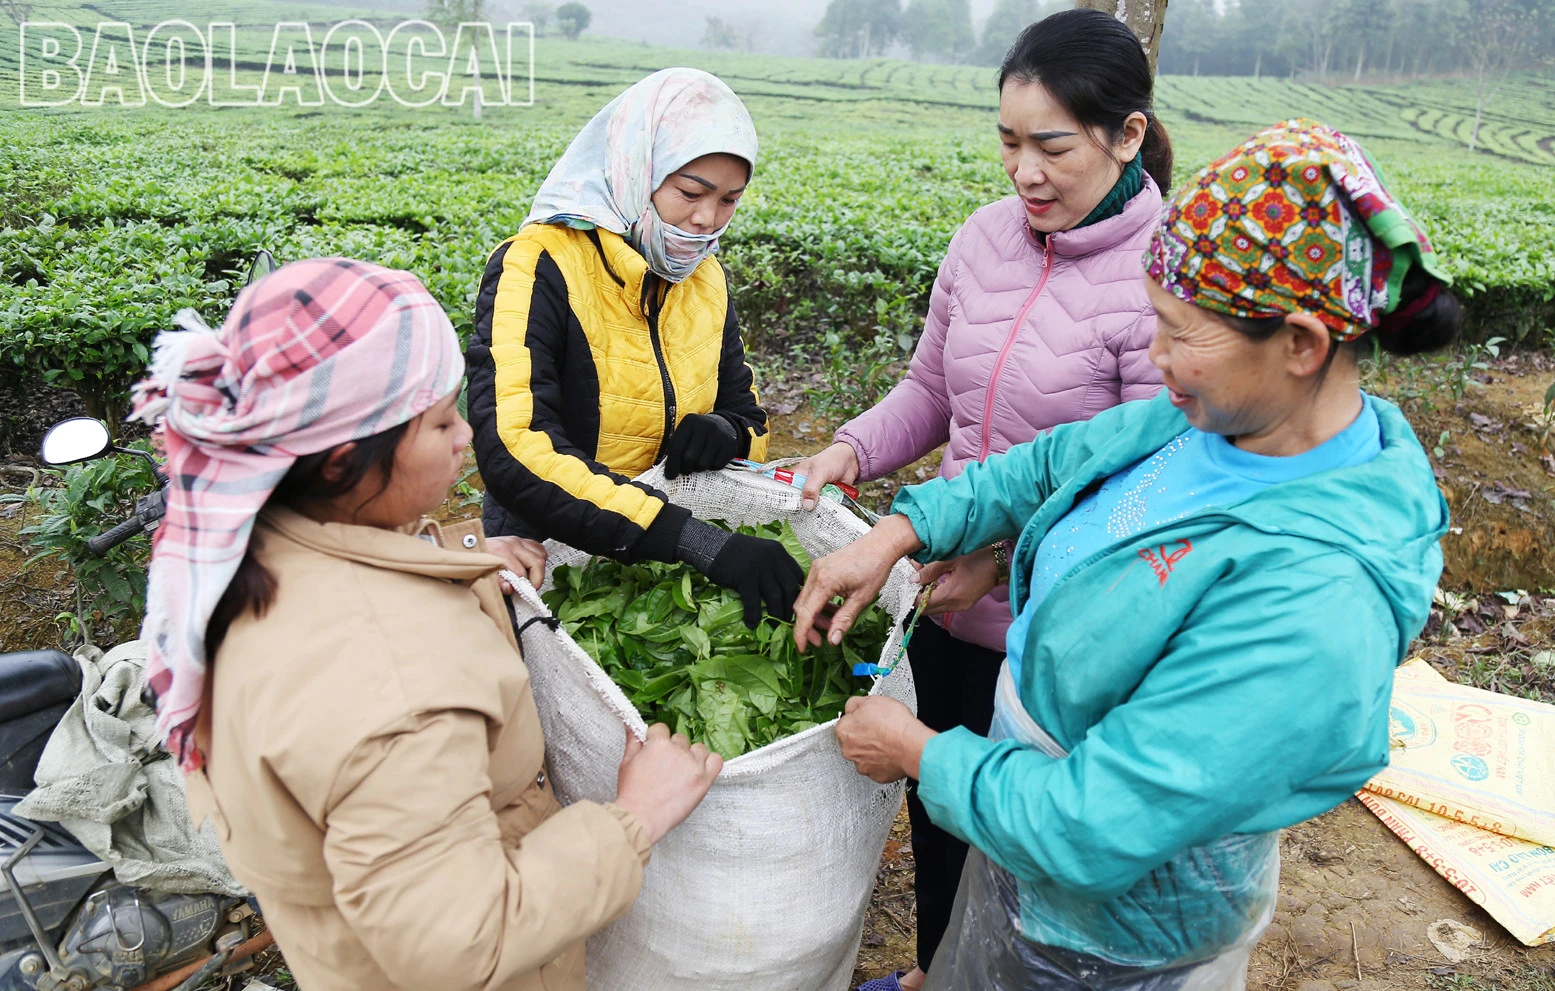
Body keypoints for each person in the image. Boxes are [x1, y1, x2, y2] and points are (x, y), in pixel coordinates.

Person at [794, 119, 1459, 990]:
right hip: (1025, 828)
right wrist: (898, 532)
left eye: (1181, 335)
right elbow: (1052, 462)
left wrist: (918, 752)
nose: (1154, 359)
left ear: (1301, 345)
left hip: (1118, 928)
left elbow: (1090, 827)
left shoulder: (1313, 598)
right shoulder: (1217, 421)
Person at [133, 258, 724, 991]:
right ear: (343, 461)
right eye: (440, 419)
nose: (463, 435)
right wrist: (632, 817)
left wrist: (450, 553)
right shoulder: (392, 686)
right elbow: (463, 943)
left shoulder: (240, 545)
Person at [791, 12, 1169, 988]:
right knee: (940, 825)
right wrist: (848, 448)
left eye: (1051, 146)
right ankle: (933, 972)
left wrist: (1002, 561)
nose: (1023, 173)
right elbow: (930, 391)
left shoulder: (1160, 282)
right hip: (938, 609)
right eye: (1008, 142)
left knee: (1029, 872)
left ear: (1125, 136)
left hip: (1060, 646)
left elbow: (1145, 490)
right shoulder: (983, 241)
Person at [467, 67, 802, 630]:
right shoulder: (538, 265)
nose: (705, 220)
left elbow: (749, 418)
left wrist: (725, 432)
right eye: (690, 193)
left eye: (729, 201)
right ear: (634, 169)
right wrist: (698, 543)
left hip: (666, 562)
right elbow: (513, 444)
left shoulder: (706, 280)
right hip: (547, 552)